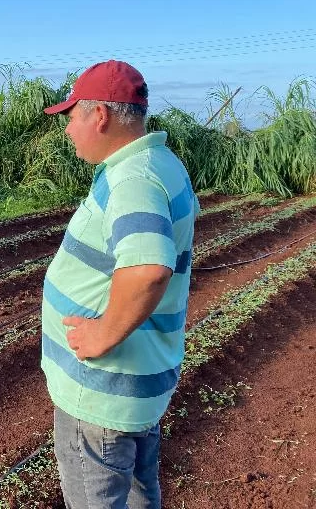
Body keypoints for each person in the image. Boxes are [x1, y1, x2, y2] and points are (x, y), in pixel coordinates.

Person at [41, 60, 199, 508]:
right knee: (139, 493)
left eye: (72, 116)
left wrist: (101, 333)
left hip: (104, 392)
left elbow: (148, 268)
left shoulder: (134, 179)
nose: (69, 129)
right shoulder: (158, 162)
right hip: (137, 380)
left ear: (100, 116)